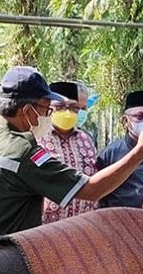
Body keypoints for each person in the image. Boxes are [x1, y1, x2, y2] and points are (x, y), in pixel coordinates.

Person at [0, 66, 143, 266]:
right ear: (27, 111)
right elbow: (92, 189)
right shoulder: (21, 152)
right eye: (47, 110)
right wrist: (140, 152)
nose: (49, 117)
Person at [96, 90, 143, 208]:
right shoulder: (110, 154)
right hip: (121, 221)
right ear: (125, 121)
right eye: (139, 117)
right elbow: (99, 193)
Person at [37, 81, 98, 223]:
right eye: (60, 107)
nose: (67, 113)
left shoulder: (86, 140)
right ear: (48, 108)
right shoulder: (37, 139)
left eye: (73, 108)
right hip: (45, 227)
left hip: (83, 224)